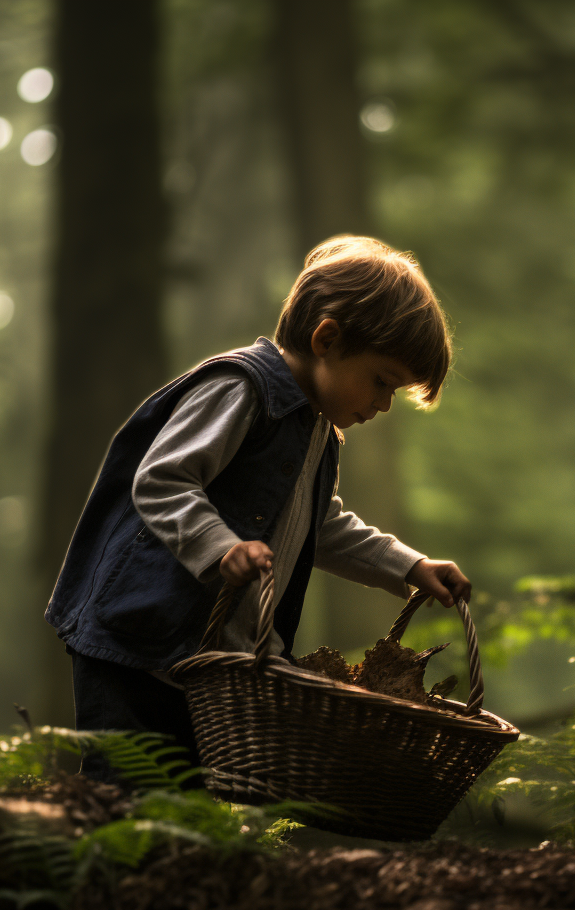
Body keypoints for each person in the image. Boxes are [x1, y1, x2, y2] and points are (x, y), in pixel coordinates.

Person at [46, 235, 471, 778]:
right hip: (137, 634)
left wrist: (410, 566)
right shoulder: (242, 390)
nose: (383, 404)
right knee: (126, 787)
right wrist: (220, 548)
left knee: (183, 796)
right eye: (381, 382)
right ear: (327, 338)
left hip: (199, 658)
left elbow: (325, 527)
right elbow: (162, 479)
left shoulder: (317, 432)